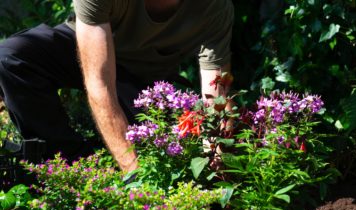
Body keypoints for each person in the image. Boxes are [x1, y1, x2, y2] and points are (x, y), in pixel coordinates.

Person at [0, 0, 234, 173]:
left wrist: (216, 172)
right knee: (11, 57)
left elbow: (216, 101)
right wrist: (135, 175)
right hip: (82, 45)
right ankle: (70, 163)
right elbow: (99, 83)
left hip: (139, 79)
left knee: (166, 148)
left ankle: (101, 159)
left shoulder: (214, 7)